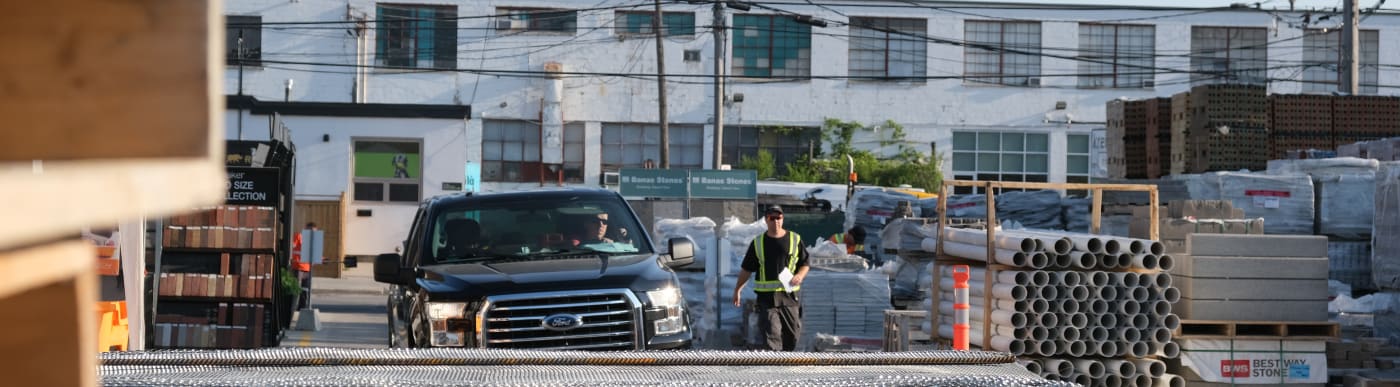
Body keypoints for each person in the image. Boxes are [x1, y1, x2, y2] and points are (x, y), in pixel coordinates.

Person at [732, 205, 809, 351]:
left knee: (792, 337)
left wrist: (799, 275)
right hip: (767, 299)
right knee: (771, 336)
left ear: (783, 219)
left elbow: (805, 263)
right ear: (766, 220)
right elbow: (746, 269)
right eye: (771, 218)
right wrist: (738, 290)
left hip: (789, 297)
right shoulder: (758, 243)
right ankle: (775, 369)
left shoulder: (795, 239)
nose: (775, 221)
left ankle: (786, 368)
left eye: (778, 218)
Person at [291, 222, 317, 310]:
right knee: (296, 289)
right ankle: (293, 307)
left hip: (307, 268)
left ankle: (302, 307)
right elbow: (292, 246)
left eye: (313, 231)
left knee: (305, 289)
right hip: (298, 267)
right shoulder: (299, 236)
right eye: (310, 230)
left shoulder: (313, 240)